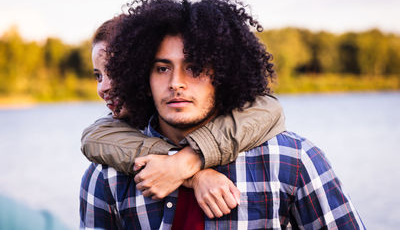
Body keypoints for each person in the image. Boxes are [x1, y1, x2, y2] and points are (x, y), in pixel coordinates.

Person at [80, 0, 364, 229]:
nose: (177, 83)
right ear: (141, 75)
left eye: (195, 67)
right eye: (162, 68)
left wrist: (186, 163)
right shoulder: (107, 177)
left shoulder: (294, 160)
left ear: (224, 72)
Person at [82, 13, 286, 220]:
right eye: (98, 75)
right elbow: (93, 138)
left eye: (114, 73)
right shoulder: (105, 165)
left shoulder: (282, 150)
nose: (103, 87)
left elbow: (269, 109)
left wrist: (187, 161)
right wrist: (193, 174)